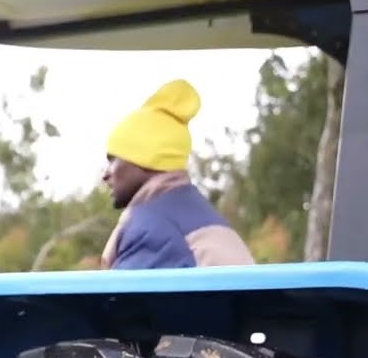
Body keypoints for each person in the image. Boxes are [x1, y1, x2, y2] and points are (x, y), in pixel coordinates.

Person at [100, 78, 255, 270]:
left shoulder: (153, 229)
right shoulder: (189, 213)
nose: (105, 175)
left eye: (113, 159)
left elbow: (119, 300)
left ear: (146, 158)